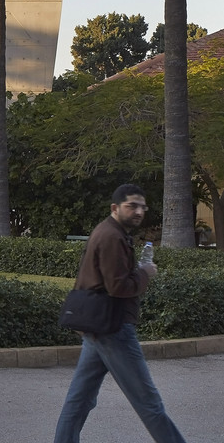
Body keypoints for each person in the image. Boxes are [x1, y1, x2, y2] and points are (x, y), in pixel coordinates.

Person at [53, 184, 188, 443]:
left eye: (142, 207)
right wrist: (144, 274)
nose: (138, 211)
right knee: (149, 404)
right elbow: (118, 286)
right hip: (113, 329)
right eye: (132, 206)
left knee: (80, 401)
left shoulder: (112, 232)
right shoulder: (112, 237)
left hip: (99, 328)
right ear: (115, 208)